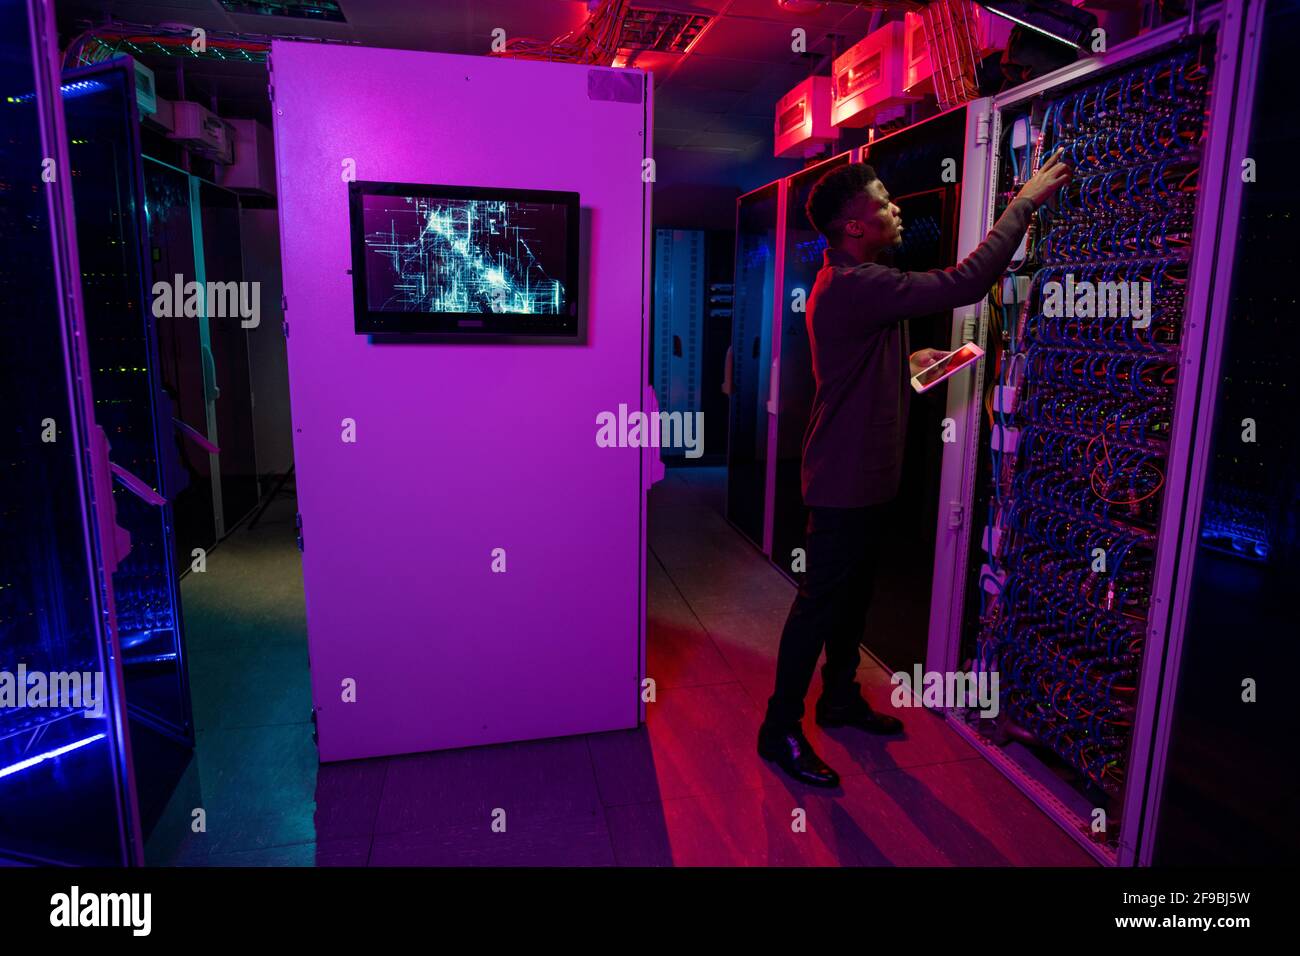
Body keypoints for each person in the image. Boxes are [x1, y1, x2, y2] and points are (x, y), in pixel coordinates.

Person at [757, 148, 1073, 787]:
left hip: (863, 477)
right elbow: (962, 281)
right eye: (883, 202)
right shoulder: (857, 284)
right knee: (820, 604)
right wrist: (1023, 204)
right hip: (844, 480)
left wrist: (942, 361)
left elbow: (879, 374)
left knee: (851, 598)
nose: (895, 210)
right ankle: (779, 728)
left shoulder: (854, 283)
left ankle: (838, 698)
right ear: (855, 224)